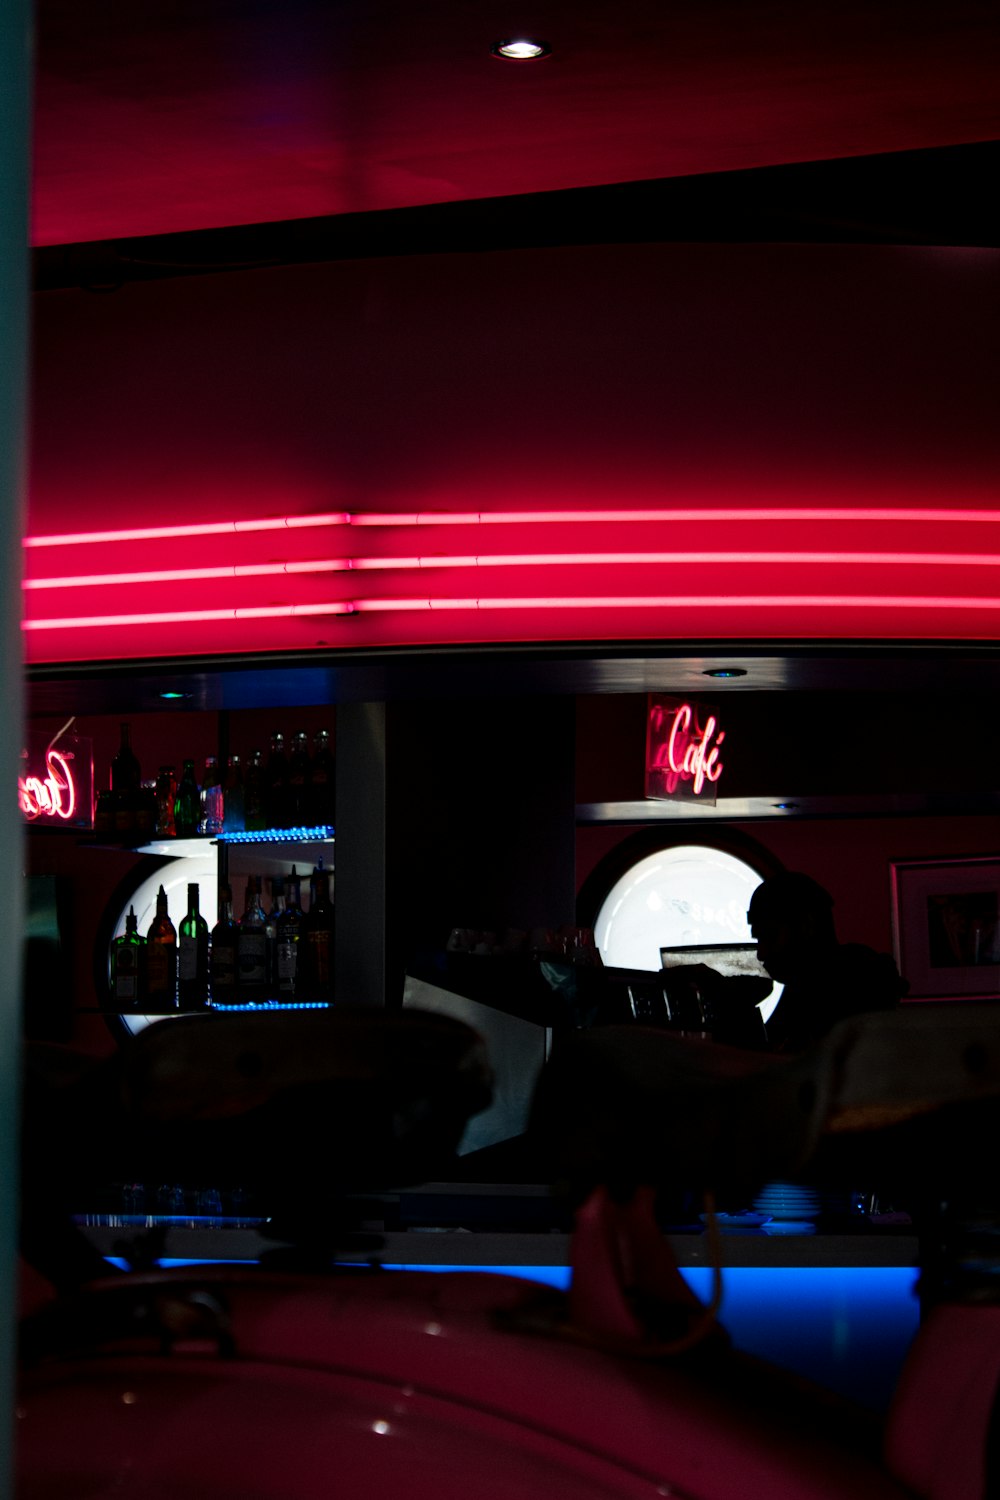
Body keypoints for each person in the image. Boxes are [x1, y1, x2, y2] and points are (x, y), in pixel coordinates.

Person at [748, 870, 908, 1053]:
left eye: (770, 936)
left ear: (807, 925)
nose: (761, 954)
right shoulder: (812, 991)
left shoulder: (845, 991)